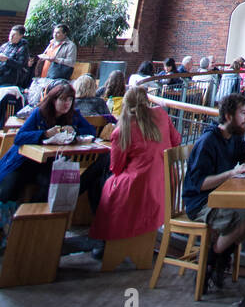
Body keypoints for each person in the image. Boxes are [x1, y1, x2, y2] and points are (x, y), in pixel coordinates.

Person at [182, 93, 245, 290]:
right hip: (202, 202)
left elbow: (242, 161)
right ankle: (212, 259)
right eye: (243, 113)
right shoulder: (208, 142)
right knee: (243, 216)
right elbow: (199, 184)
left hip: (224, 197)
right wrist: (230, 174)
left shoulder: (234, 137)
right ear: (228, 116)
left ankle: (221, 254)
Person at [89, 86, 182, 256]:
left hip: (139, 183)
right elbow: (176, 140)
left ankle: (105, 241)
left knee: (100, 185)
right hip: (167, 180)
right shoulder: (161, 114)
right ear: (147, 100)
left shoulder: (122, 129)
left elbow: (116, 168)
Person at [0, 81, 106, 210]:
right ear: (53, 100)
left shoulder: (74, 115)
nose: (67, 103)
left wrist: (74, 130)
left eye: (70, 99)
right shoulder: (39, 113)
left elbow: (91, 131)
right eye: (62, 99)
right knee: (9, 187)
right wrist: (44, 134)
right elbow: (19, 137)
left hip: (49, 162)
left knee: (49, 185)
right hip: (25, 161)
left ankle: (31, 214)